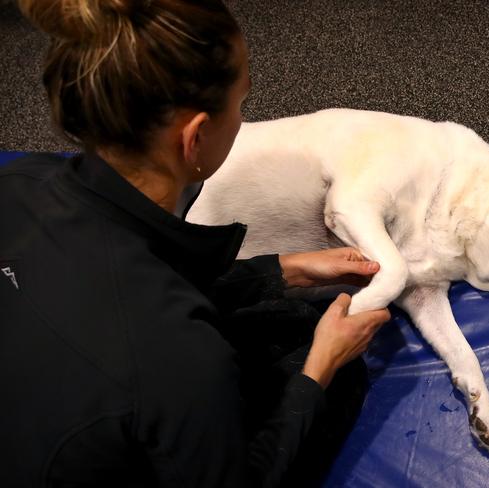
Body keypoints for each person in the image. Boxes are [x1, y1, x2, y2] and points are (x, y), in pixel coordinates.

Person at [0, 1, 390, 486]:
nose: (243, 117)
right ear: (196, 137)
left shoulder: (19, 182)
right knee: (324, 364)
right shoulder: (179, 358)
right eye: (241, 104)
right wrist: (320, 368)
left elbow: (131, 280)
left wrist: (288, 269)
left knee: (280, 316)